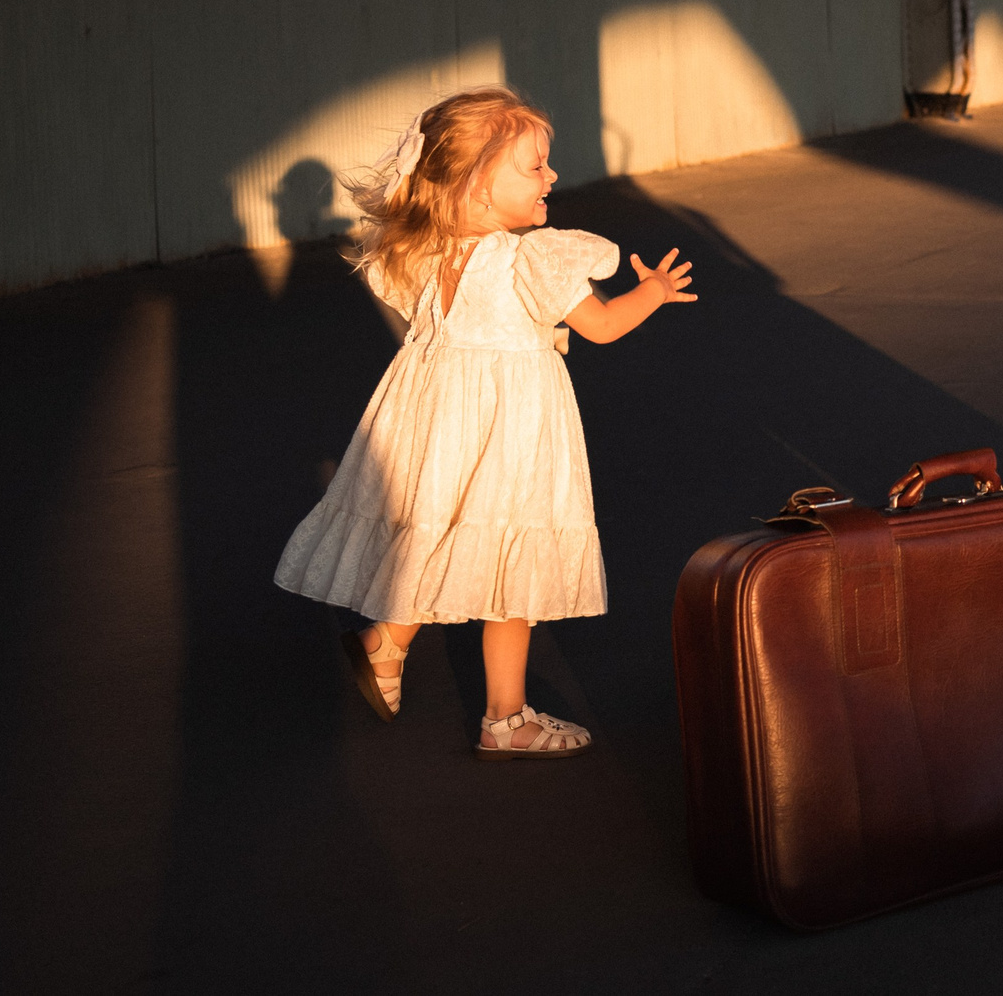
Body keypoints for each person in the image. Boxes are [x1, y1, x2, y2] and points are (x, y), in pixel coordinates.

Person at [274, 87, 695, 759]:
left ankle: (389, 642)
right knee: (511, 559)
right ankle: (505, 717)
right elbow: (605, 325)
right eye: (533, 166)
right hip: (512, 427)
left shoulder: (438, 250)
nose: (551, 176)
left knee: (445, 531)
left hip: (439, 417)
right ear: (474, 184)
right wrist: (653, 291)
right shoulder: (530, 257)